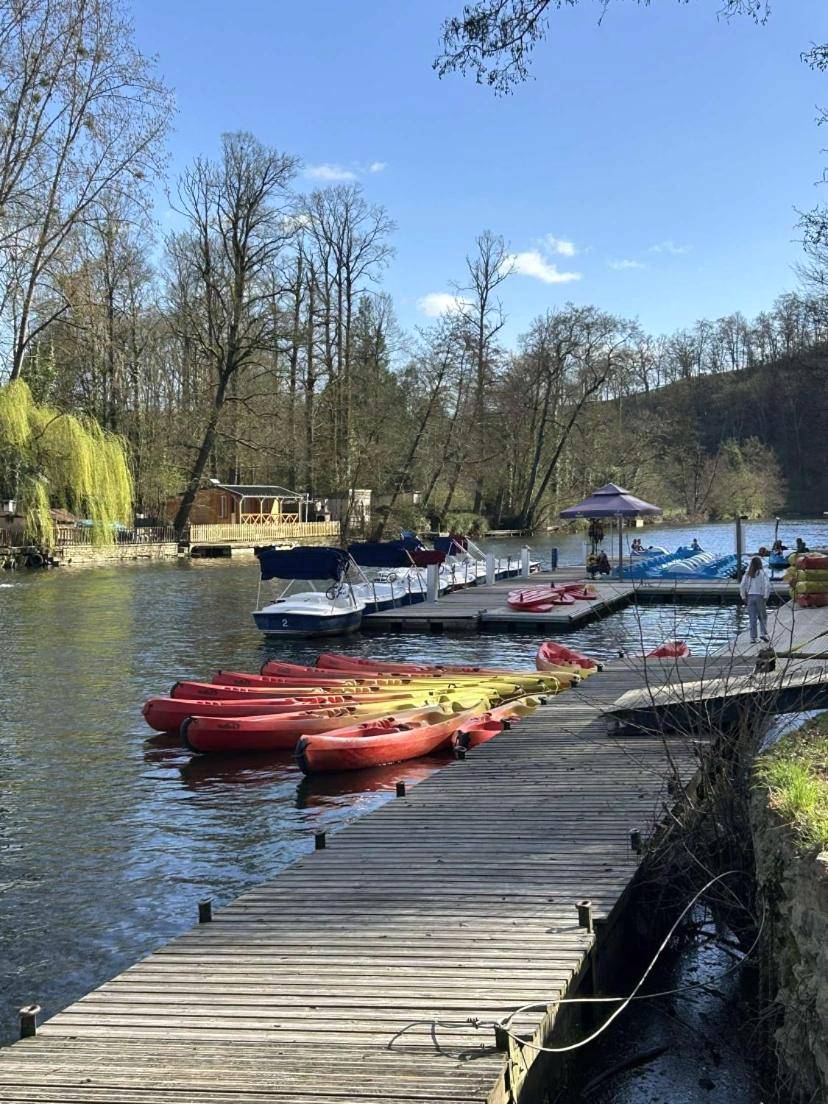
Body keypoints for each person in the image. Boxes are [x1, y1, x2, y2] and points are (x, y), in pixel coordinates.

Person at [740, 555, 771, 645]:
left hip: (749, 596)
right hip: (760, 596)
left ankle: (753, 637)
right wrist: (766, 595)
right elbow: (767, 585)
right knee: (762, 616)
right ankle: (763, 633)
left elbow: (742, 585)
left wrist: (743, 596)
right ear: (760, 564)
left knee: (752, 618)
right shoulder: (762, 573)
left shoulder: (747, 574)